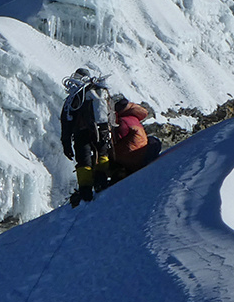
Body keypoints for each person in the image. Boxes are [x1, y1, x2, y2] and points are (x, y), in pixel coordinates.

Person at [60, 67, 115, 205]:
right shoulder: (101, 92)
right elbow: (111, 114)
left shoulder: (76, 95)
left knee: (84, 161)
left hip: (82, 132)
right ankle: (101, 181)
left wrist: (66, 143)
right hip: (102, 130)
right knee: (102, 154)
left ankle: (85, 191)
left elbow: (67, 120)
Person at [110, 95, 162, 175]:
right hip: (140, 151)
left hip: (130, 157)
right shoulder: (132, 117)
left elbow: (118, 138)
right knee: (153, 141)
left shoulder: (122, 122)